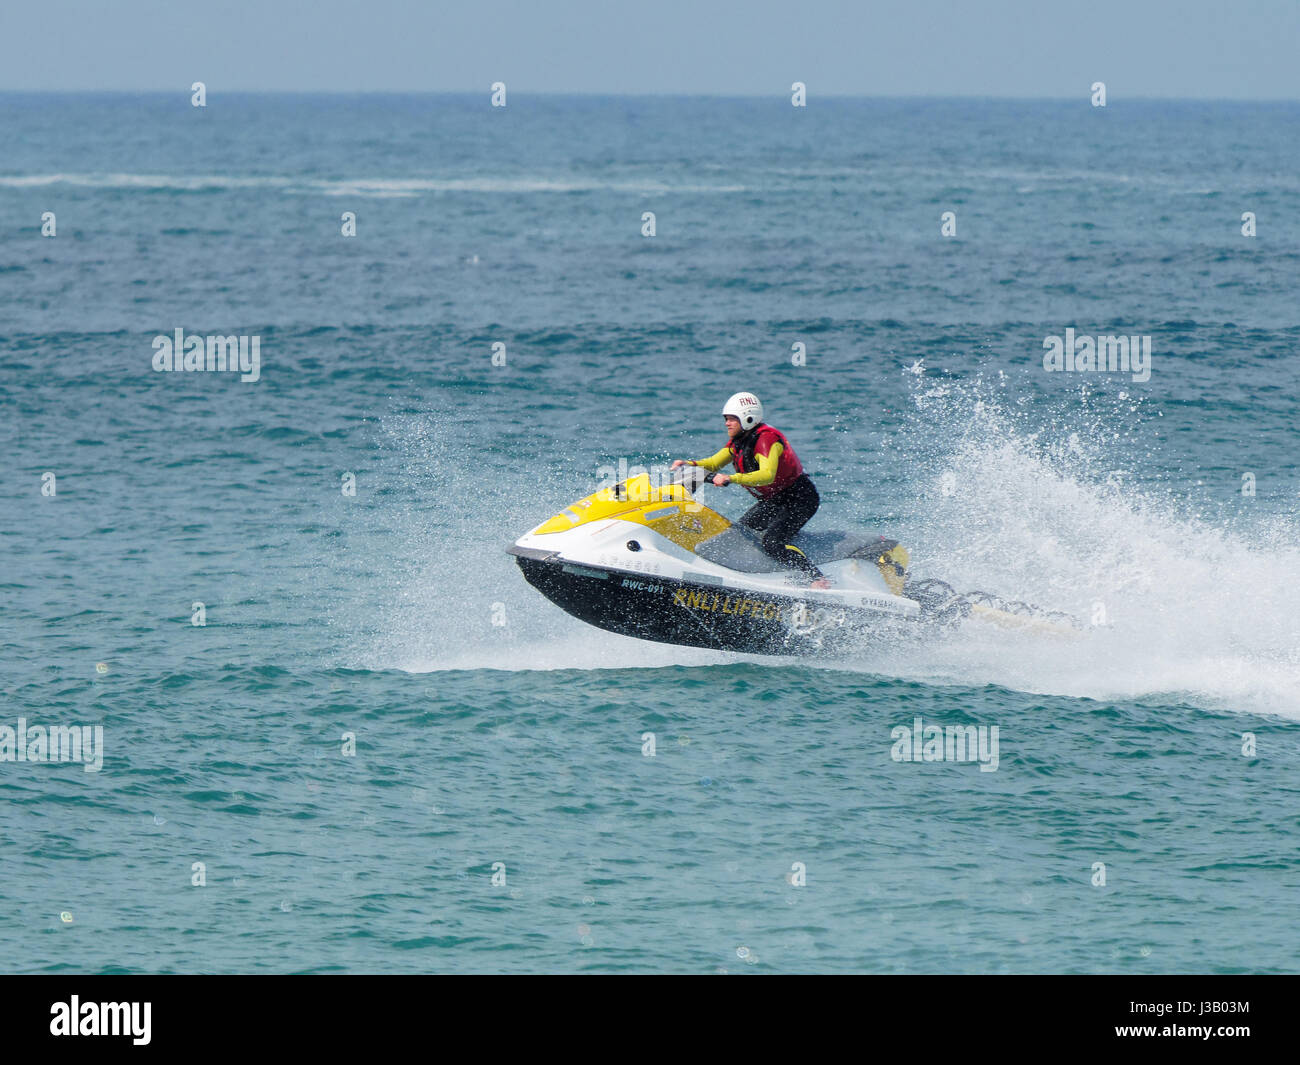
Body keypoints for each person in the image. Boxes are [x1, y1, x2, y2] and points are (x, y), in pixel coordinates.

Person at [672, 392, 831, 588]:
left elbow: (767, 474)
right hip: (776, 500)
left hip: (800, 499)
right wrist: (689, 464)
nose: (727, 423)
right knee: (741, 534)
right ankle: (752, 575)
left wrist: (731, 478)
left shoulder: (766, 440)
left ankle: (815, 577)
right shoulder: (740, 441)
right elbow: (714, 463)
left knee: (772, 542)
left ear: (748, 418)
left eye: (731, 419)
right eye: (726, 419)